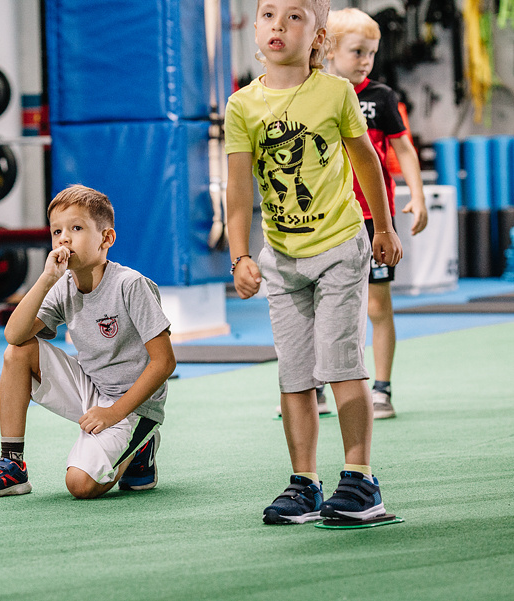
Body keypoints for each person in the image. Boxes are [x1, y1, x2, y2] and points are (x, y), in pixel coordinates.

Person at [224, 0, 403, 525]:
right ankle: (304, 482)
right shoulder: (242, 105)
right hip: (281, 259)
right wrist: (239, 256)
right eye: (269, 15)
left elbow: (365, 159)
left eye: (295, 16)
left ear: (318, 37)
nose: (279, 25)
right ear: (257, 28)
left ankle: (361, 479)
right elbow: (237, 191)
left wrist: (384, 228)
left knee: (340, 361)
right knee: (295, 374)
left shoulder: (335, 91)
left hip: (341, 247)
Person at [0, 184, 176, 500]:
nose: (64, 238)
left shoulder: (130, 285)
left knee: (80, 486)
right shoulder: (62, 285)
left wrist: (114, 413)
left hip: (134, 405)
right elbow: (14, 334)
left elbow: (165, 363)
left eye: (76, 228)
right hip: (92, 388)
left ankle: (140, 445)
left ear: (107, 239)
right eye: (57, 231)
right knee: (17, 351)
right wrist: (46, 278)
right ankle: (12, 464)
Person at [326, 7, 428, 419]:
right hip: (329, 219)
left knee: (377, 306)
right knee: (324, 307)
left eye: (370, 53)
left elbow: (403, 147)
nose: (365, 61)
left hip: (374, 218)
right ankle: (313, 385)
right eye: (356, 52)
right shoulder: (319, 94)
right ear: (329, 50)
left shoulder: (380, 97)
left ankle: (382, 388)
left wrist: (416, 196)